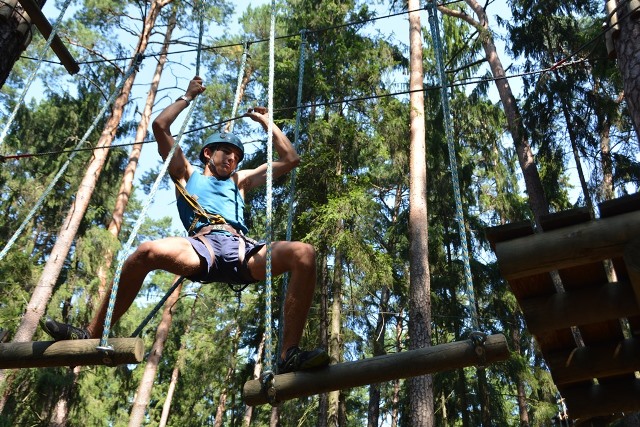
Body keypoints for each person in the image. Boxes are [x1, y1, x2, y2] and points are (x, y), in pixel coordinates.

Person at [43, 76, 329, 374]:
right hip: (201, 246)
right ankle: (90, 334)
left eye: (237, 156)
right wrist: (187, 96)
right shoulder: (186, 173)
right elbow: (160, 126)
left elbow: (290, 159)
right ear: (208, 153)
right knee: (146, 251)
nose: (232, 159)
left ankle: (288, 355)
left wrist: (268, 123)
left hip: (242, 249)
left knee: (304, 253)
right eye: (227, 152)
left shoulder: (240, 181)